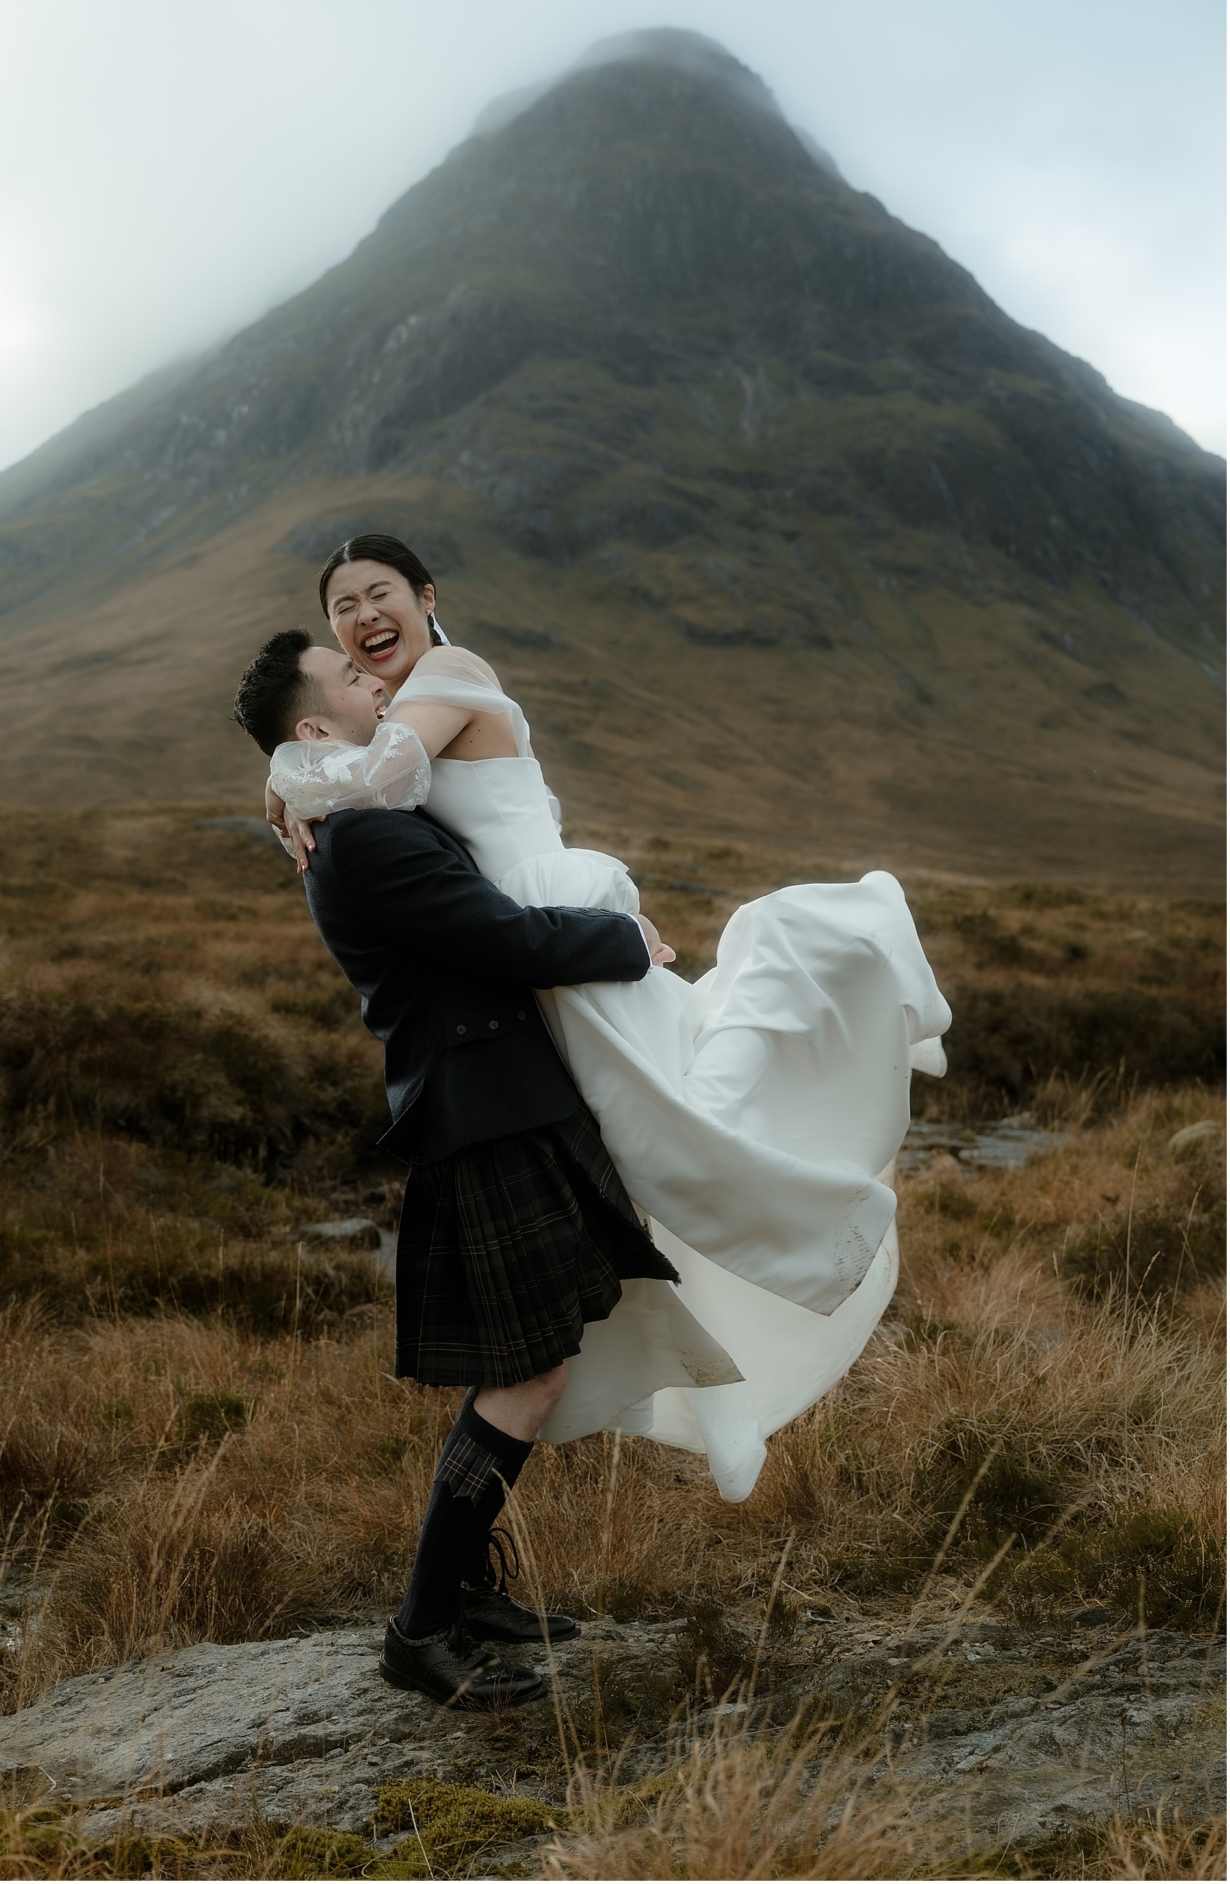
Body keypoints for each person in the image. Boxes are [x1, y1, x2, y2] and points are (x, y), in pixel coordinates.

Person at [260, 534, 953, 1507]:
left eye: (380, 594)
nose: (363, 618)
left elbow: (383, 780)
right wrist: (294, 762)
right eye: (342, 610)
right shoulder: (373, 724)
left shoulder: (451, 672)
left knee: (682, 1119)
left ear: (425, 597)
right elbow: (365, 773)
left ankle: (824, 1131)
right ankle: (718, 1382)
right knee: (642, 1159)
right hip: (523, 952)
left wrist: (285, 774)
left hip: (550, 924)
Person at [232, 636, 723, 1709]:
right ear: (314, 729)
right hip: (483, 1110)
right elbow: (501, 937)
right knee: (524, 1372)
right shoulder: (359, 840)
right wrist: (629, 940)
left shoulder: (360, 818)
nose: (378, 687)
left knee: (525, 1360)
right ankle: (420, 1626)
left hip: (502, 1097)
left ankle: (466, 1594)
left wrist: (288, 791)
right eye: (355, 682)